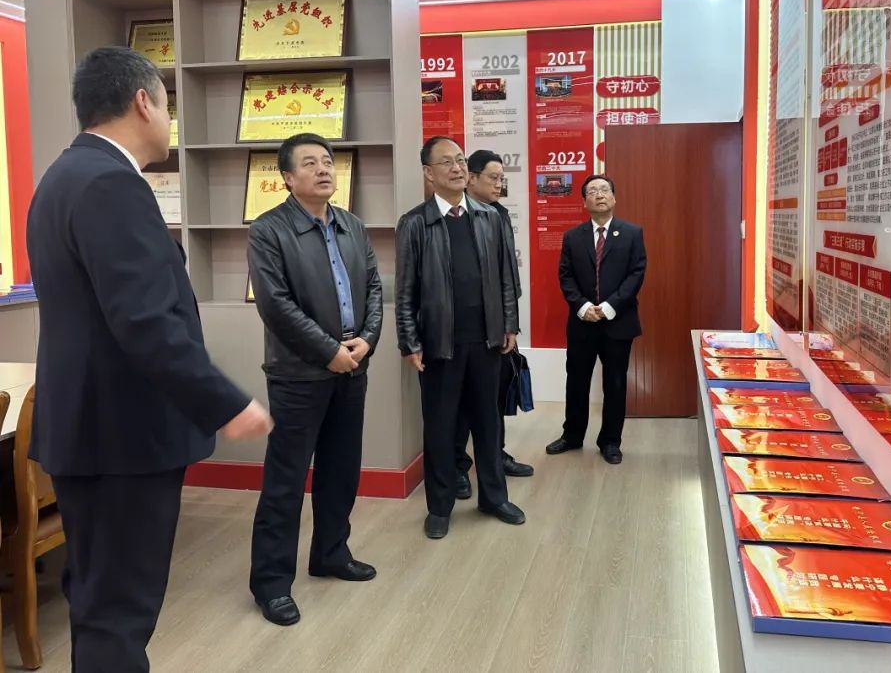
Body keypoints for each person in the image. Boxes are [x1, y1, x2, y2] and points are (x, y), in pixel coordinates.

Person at [26, 46, 273, 672]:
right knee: (118, 613)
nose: (168, 120)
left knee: (98, 602)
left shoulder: (63, 175)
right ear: (143, 101)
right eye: (167, 105)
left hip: (90, 432)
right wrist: (224, 402)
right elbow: (143, 321)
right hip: (122, 437)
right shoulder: (110, 183)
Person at [247, 133, 383, 626]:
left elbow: (373, 287)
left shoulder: (352, 224)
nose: (324, 169)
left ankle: (330, 553)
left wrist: (366, 340)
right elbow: (276, 305)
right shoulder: (268, 230)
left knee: (341, 470)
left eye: (328, 161)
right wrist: (329, 352)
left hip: (353, 364)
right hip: (299, 374)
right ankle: (271, 583)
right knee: (285, 481)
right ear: (286, 177)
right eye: (310, 163)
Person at [396, 136, 525, 538]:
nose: (456, 168)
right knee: (440, 428)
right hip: (440, 344)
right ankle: (440, 507)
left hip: (487, 340)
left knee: (488, 423)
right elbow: (405, 290)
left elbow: (506, 278)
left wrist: (509, 323)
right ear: (428, 173)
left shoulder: (490, 217)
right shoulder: (415, 223)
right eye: (446, 162)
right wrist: (409, 341)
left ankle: (494, 497)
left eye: (461, 160)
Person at [546, 174, 646, 464]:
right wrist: (583, 306)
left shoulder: (632, 233)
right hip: (582, 322)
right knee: (576, 381)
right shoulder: (572, 237)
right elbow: (565, 276)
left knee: (615, 383)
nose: (599, 194)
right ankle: (572, 435)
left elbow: (637, 273)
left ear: (614, 198)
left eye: (604, 190)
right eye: (592, 191)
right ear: (584, 202)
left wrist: (611, 306)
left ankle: (611, 441)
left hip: (618, 321)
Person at [453, 150, 533, 501]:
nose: (500, 184)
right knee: (459, 403)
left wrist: (510, 323)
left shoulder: (498, 214)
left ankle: (494, 456)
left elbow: (507, 274)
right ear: (471, 178)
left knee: (493, 399)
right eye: (493, 177)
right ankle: (458, 466)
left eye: (502, 178)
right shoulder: (452, 215)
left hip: (496, 325)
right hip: (462, 329)